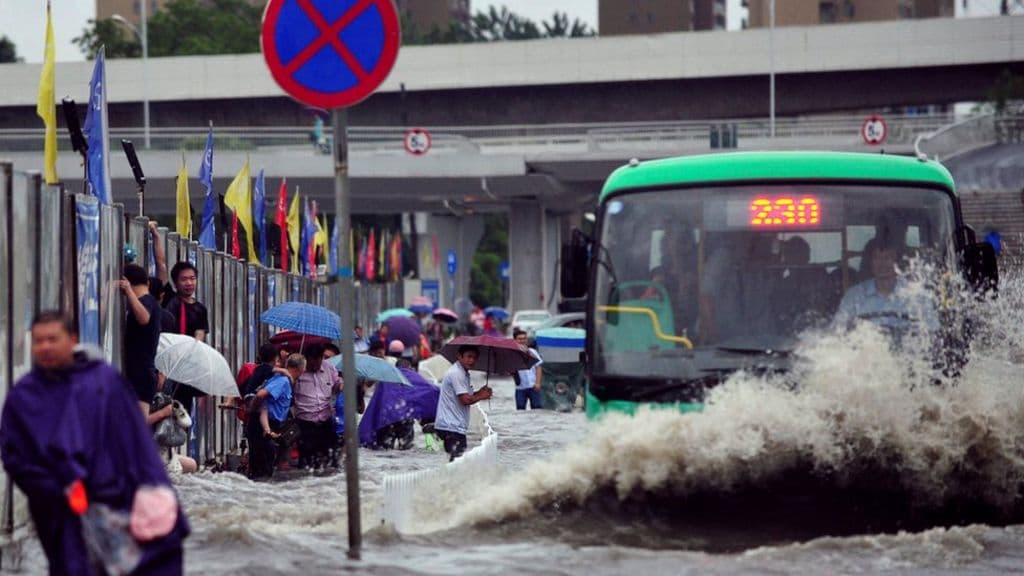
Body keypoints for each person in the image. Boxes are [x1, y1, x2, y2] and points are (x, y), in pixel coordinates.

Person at [0, 311, 189, 574]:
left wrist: (155, 490)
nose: (45, 347)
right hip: (62, 509)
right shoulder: (24, 396)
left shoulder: (103, 381)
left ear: (72, 339)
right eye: (39, 340)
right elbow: (15, 456)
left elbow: (136, 443)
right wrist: (56, 488)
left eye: (53, 339)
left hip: (118, 497)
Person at [835, 237, 937, 334]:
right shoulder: (853, 297)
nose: (882, 263)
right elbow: (837, 332)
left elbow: (933, 334)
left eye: (887, 257)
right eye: (876, 257)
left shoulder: (917, 296)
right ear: (870, 263)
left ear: (897, 262)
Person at [245, 354, 303, 480]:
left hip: (269, 426)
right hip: (262, 426)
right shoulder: (283, 381)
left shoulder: (284, 380)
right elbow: (261, 395)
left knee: (265, 463)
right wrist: (254, 408)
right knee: (262, 468)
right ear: (301, 369)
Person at [434, 345, 492, 461]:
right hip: (452, 427)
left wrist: (479, 392)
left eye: (474, 358)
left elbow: (465, 396)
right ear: (459, 356)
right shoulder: (457, 373)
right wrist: (482, 396)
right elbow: (465, 400)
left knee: (454, 461)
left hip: (450, 426)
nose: (472, 360)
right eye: (468, 357)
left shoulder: (463, 372)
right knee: (457, 462)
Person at [120, 263, 163, 418]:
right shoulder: (152, 302)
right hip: (141, 373)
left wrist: (128, 291)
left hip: (141, 374)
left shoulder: (146, 301)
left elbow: (144, 318)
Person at [293, 344, 343, 470]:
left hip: (326, 423)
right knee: (306, 464)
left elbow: (337, 383)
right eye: (311, 363)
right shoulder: (297, 370)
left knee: (331, 463)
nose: (315, 366)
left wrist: (341, 385)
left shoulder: (329, 369)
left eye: (318, 362)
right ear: (306, 359)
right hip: (305, 425)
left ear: (322, 358)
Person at [163, 261, 209, 342]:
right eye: (184, 279)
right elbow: (161, 266)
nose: (189, 283)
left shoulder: (201, 309)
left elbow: (199, 337)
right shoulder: (169, 299)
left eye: (192, 278)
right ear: (175, 283)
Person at [512, 329, 544, 410]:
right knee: (520, 409)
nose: (522, 341)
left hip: (533, 386)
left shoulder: (532, 352)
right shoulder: (512, 354)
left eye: (524, 338)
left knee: (537, 409)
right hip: (520, 388)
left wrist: (538, 383)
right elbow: (509, 370)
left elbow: (538, 367)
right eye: (519, 339)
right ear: (515, 340)